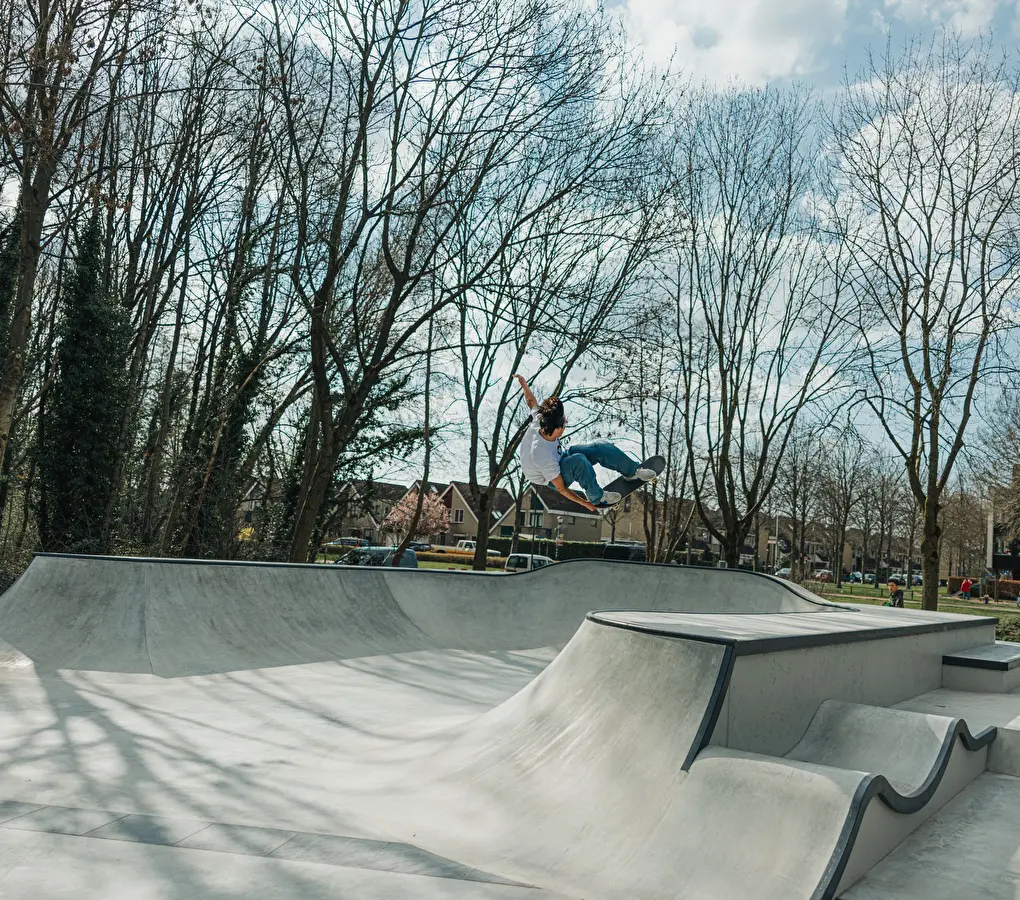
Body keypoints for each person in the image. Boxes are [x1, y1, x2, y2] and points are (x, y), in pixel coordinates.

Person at [514, 374, 656, 512]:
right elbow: (561, 488)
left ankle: (632, 471)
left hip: (559, 458)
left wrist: (523, 384)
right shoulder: (541, 454)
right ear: (559, 427)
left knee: (600, 447)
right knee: (579, 461)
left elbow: (531, 402)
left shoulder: (541, 417)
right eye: (565, 421)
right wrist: (585, 504)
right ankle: (597, 497)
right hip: (550, 478)